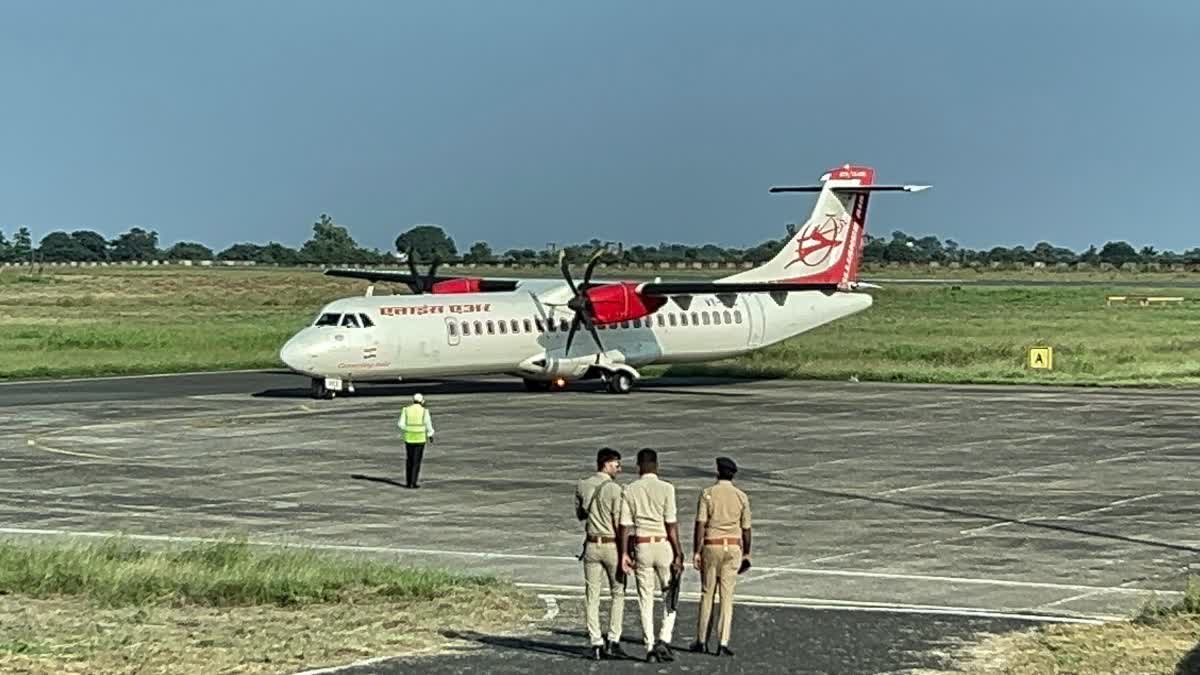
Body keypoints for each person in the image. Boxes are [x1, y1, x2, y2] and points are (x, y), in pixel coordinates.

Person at [618, 448, 683, 663]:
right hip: (663, 543)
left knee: (645, 599)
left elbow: (625, 526)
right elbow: (671, 524)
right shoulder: (667, 488)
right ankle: (664, 638)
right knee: (670, 595)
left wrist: (624, 553)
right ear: (657, 466)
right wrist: (678, 552)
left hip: (642, 545)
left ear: (638, 467)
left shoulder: (629, 490)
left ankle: (649, 645)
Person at [689, 456, 751, 657]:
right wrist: (747, 553)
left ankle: (701, 640)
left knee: (707, 594)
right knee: (727, 597)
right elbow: (746, 529)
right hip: (733, 547)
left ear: (717, 472)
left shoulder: (707, 494)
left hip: (711, 545)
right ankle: (723, 642)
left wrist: (696, 551)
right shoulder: (741, 496)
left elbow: (700, 524)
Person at [574, 448, 627, 660]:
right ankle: (614, 638)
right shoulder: (615, 489)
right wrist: (625, 551)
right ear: (606, 464)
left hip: (591, 544)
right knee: (618, 592)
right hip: (611, 544)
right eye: (616, 464)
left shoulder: (583, 484)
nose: (619, 469)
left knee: (592, 594)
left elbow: (580, 515)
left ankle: (595, 640)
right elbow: (620, 522)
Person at [397, 392, 434, 488]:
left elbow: (401, 424)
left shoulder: (406, 410)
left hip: (409, 438)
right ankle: (413, 482)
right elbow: (428, 423)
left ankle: (408, 482)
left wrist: (408, 429)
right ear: (421, 401)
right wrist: (430, 434)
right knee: (416, 461)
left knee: (409, 460)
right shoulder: (424, 411)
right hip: (420, 439)